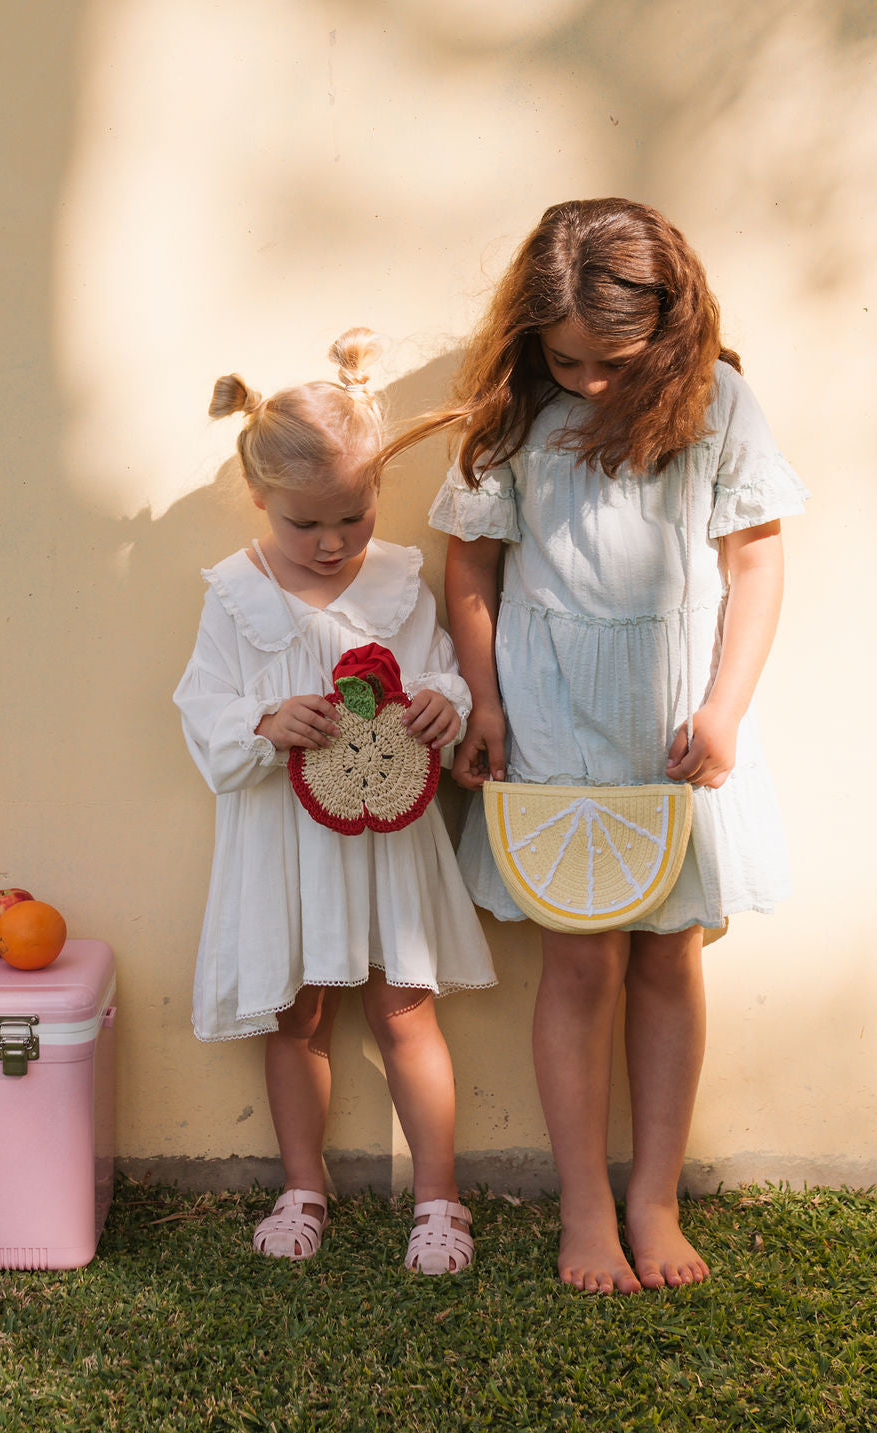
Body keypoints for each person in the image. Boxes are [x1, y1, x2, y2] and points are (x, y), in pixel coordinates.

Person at [376, 199, 809, 1294]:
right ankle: (583, 1205)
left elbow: (754, 561)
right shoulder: (516, 411)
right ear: (532, 336)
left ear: (670, 325)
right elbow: (470, 566)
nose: (595, 382)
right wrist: (482, 701)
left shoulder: (717, 400)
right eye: (570, 359)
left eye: (617, 361)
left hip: (673, 716)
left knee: (667, 947)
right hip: (549, 709)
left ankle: (651, 1196)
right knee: (578, 954)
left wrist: (724, 707)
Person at [174, 329, 495, 1274]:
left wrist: (447, 699)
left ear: (374, 499)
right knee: (298, 1015)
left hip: (385, 842)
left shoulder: (398, 582)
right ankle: (302, 1184)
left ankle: (439, 1198)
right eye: (306, 524)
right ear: (261, 498)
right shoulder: (235, 595)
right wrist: (266, 718)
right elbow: (202, 706)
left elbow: (441, 673)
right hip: (285, 840)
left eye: (351, 519)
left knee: (406, 1007)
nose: (331, 543)